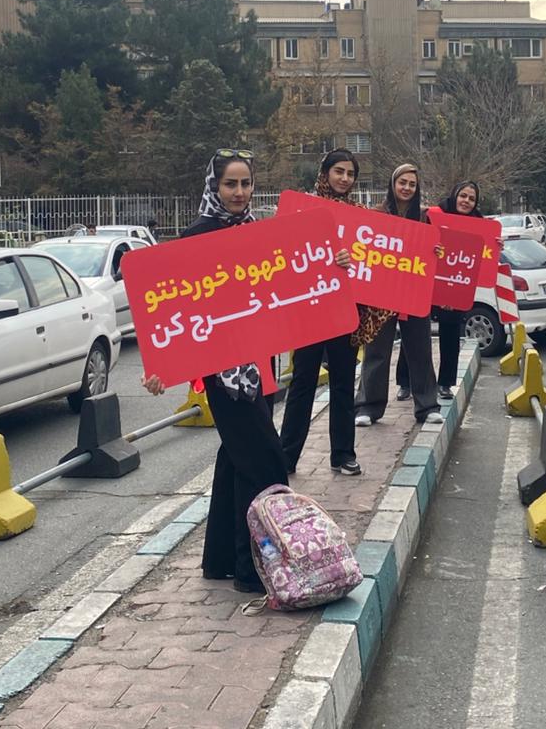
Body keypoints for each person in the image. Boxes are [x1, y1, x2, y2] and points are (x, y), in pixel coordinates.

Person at [142, 149, 289, 593]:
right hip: (224, 376)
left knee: (234, 459)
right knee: (264, 460)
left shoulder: (260, 233)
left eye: (246, 183)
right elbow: (169, 305)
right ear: (214, 186)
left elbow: (291, 282)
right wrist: (158, 365)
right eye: (230, 184)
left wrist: (333, 264)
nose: (239, 192)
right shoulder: (195, 237)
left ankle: (220, 560)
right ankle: (251, 571)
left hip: (260, 366)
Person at [280, 149, 389, 477]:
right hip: (310, 310)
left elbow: (381, 257)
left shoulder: (361, 216)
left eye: (350, 173)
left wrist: (351, 261)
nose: (344, 178)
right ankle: (286, 457)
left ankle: (343, 454)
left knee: (343, 383)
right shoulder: (303, 209)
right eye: (339, 171)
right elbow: (287, 254)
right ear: (325, 172)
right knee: (303, 383)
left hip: (345, 311)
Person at [354, 164, 443, 427]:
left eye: (412, 184)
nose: (406, 188)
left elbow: (435, 248)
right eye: (402, 182)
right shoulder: (377, 215)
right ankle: (368, 406)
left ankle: (427, 406)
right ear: (393, 184)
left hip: (414, 293)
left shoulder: (425, 218)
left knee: (420, 349)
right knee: (376, 351)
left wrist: (436, 251)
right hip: (381, 295)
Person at [396, 180, 483, 401]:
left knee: (451, 336)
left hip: (454, 286)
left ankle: (445, 384)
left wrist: (496, 246)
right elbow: (418, 240)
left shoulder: (480, 225)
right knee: (414, 334)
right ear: (455, 195)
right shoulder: (434, 215)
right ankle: (405, 382)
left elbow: (485, 258)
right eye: (463, 196)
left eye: (471, 199)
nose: (466, 201)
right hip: (425, 283)